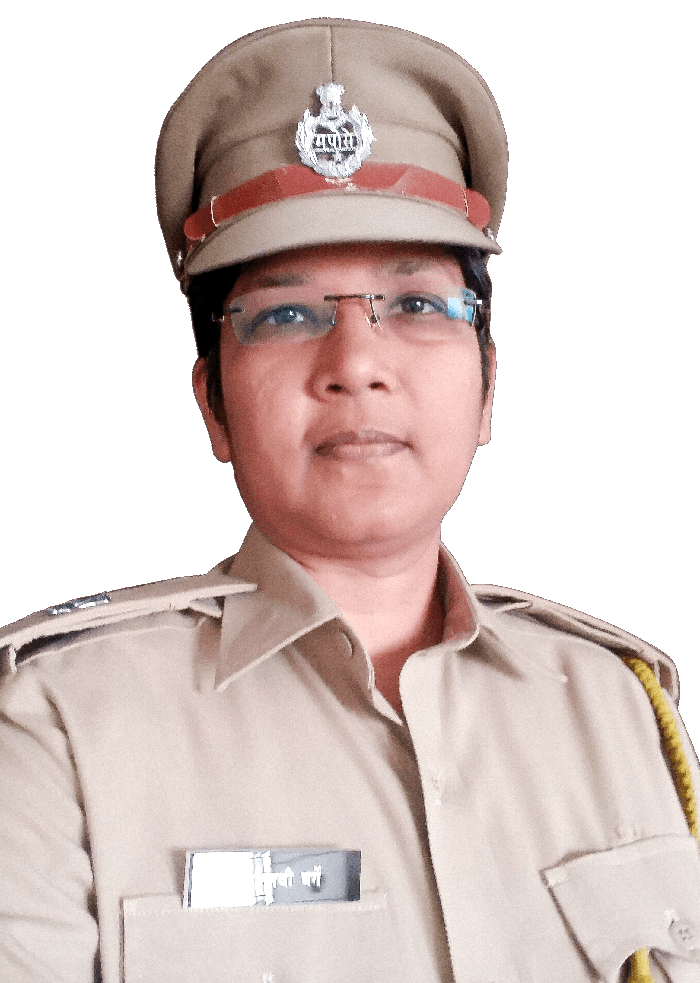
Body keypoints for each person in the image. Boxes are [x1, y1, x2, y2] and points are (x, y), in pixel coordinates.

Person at [1, 18, 698, 983]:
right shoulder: (53, 727)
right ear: (213, 404)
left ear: (487, 388)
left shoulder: (615, 707)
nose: (357, 363)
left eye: (417, 304)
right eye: (285, 314)